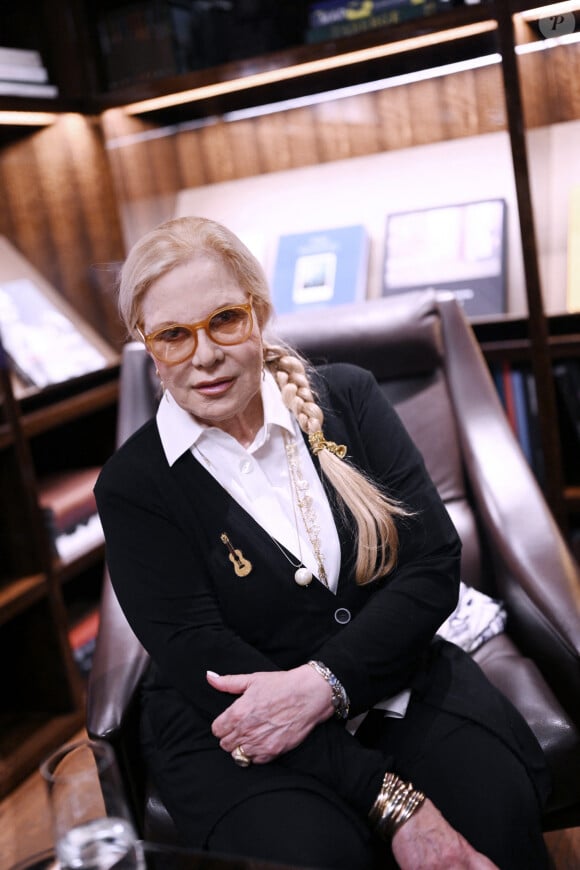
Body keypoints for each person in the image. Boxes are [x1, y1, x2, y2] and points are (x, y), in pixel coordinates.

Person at [95, 216, 551, 870]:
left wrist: (327, 683)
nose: (204, 355)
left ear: (260, 311)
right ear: (147, 345)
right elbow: (210, 665)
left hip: (394, 676)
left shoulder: (351, 398)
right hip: (232, 726)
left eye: (225, 319)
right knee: (314, 856)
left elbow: (432, 564)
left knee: (493, 809)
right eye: (173, 335)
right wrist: (395, 803)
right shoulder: (132, 486)